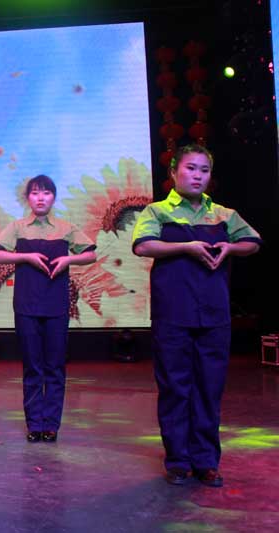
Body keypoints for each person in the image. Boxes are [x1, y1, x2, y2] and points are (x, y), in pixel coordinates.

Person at [132, 144, 261, 487]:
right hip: (172, 313)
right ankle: (178, 460)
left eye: (204, 170)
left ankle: (206, 461)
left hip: (214, 313)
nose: (197, 175)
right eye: (190, 168)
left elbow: (253, 241)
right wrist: (185, 247)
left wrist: (231, 247)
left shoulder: (223, 214)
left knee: (209, 388)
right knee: (175, 387)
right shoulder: (158, 211)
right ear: (174, 172)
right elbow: (143, 245)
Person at [0, 175, 96, 443]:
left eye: (46, 193)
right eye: (35, 193)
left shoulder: (66, 227)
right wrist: (25, 256)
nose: (40, 198)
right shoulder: (17, 227)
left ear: (53, 198)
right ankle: (34, 424)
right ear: (28, 198)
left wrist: (68, 260)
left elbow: (90, 254)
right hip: (27, 304)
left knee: (55, 367)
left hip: (56, 304)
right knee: (32, 366)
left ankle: (51, 424)